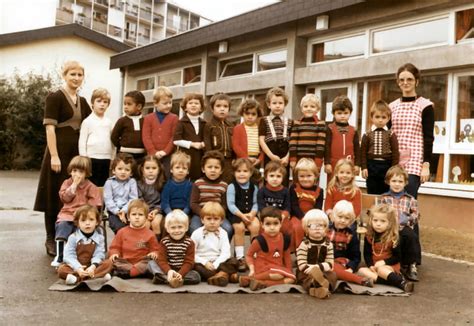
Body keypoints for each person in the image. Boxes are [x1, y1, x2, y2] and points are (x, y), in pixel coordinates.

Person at [34, 60, 92, 257]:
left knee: (74, 194)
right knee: (53, 195)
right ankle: (51, 238)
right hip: (58, 153)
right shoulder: (55, 97)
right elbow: (50, 129)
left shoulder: (83, 101)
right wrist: (54, 155)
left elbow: (90, 124)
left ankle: (70, 237)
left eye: (79, 75)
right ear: (64, 75)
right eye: (72, 74)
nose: (76, 78)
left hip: (75, 155)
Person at [389, 63, 434, 199]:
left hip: (414, 161)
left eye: (409, 79)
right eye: (402, 80)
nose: (405, 82)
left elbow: (428, 137)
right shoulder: (392, 106)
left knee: (408, 201)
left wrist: (425, 165)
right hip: (394, 160)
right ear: (398, 82)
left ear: (417, 82)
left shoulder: (425, 106)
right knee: (392, 203)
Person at [51, 156, 102, 267]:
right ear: (70, 171)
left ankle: (90, 256)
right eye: (74, 171)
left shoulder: (91, 187)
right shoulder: (67, 183)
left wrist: (83, 213)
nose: (76, 174)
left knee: (92, 228)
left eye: (80, 171)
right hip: (68, 215)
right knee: (62, 226)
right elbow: (65, 198)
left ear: (86, 173)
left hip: (84, 216)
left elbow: (94, 205)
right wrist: (73, 186)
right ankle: (60, 256)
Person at [376, 165, 421, 281]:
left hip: (403, 227)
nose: (397, 184)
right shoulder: (383, 198)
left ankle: (411, 265)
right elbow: (376, 212)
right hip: (388, 228)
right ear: (388, 182)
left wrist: (408, 219)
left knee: (411, 235)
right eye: (394, 181)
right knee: (393, 239)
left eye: (400, 181)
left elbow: (416, 215)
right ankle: (397, 265)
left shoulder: (410, 199)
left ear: (406, 183)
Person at [358, 204, 414, 292]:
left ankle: (402, 283)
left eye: (382, 221)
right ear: (371, 220)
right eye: (375, 220)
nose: (378, 224)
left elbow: (397, 257)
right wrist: (370, 265)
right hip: (375, 266)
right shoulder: (368, 236)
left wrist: (384, 262)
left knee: (382, 270)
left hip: (389, 266)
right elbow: (367, 253)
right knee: (361, 271)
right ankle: (392, 281)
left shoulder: (393, 238)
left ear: (390, 223)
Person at [240, 207, 295, 291]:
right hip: (263, 268)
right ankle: (252, 278)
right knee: (279, 276)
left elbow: (287, 256)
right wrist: (252, 269)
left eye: (275, 224)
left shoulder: (284, 239)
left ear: (280, 224)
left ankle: (260, 283)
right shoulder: (260, 240)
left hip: (277, 267)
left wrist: (289, 271)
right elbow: (249, 255)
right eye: (268, 224)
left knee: (290, 279)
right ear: (262, 225)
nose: (272, 228)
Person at [57, 205, 113, 285]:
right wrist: (78, 268)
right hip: (76, 266)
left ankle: (77, 279)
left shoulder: (100, 238)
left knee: (108, 263)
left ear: (97, 222)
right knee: (61, 269)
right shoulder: (73, 237)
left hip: (92, 266)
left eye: (91, 220)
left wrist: (93, 266)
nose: (87, 223)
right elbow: (69, 256)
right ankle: (94, 277)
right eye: (83, 220)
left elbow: (99, 254)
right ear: (78, 223)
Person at [109, 199, 160, 278]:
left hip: (142, 262)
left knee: (152, 262)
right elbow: (115, 247)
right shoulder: (122, 232)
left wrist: (154, 253)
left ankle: (129, 273)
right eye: (134, 214)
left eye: (140, 215)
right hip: (125, 262)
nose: (137, 217)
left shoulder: (150, 234)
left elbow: (155, 249)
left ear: (146, 218)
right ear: (128, 217)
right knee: (111, 261)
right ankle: (138, 272)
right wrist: (114, 253)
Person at [191, 202, 239, 286]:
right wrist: (205, 262)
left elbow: (226, 253)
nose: (212, 222)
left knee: (234, 261)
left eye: (216, 219)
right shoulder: (196, 233)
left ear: (221, 221)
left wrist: (216, 264)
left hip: (219, 263)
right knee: (195, 267)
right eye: (209, 219)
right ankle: (227, 275)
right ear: (202, 220)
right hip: (203, 264)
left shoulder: (223, 233)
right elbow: (191, 253)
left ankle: (220, 275)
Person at [149, 209, 201, 287]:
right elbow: (162, 260)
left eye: (180, 227)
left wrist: (180, 274)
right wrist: (169, 271)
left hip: (182, 270)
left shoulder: (189, 243)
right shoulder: (164, 242)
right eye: (173, 228)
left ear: (186, 228)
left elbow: (189, 262)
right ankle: (169, 278)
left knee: (196, 276)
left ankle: (166, 279)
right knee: (151, 263)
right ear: (167, 229)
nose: (177, 230)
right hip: (167, 269)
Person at [327, 200, 372, 287]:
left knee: (333, 269)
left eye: (346, 218)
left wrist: (351, 268)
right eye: (340, 217)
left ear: (351, 220)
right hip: (324, 260)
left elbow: (356, 257)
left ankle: (360, 280)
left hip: (340, 262)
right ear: (333, 216)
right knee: (325, 269)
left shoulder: (351, 235)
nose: (343, 220)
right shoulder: (326, 230)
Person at [189, 150, 233, 239]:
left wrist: (217, 214)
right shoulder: (198, 183)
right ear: (203, 169)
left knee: (228, 229)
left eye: (216, 167)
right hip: (200, 215)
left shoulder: (224, 185)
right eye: (209, 167)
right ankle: (197, 251)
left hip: (217, 215)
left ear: (221, 170)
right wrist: (204, 214)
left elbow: (224, 205)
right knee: (194, 228)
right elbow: (193, 203)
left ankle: (221, 250)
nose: (213, 170)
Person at [226, 158, 260, 271]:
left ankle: (254, 256)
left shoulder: (254, 186)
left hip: (250, 213)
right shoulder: (232, 186)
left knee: (255, 226)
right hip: (236, 214)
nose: (241, 174)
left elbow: (255, 203)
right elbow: (230, 205)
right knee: (239, 227)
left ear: (250, 173)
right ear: (234, 173)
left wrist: (252, 213)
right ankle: (240, 257)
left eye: (245, 171)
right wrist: (242, 216)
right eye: (238, 171)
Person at [361, 100, 399, 194]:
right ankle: (374, 208)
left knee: (385, 191)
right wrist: (364, 167)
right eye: (377, 117)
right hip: (371, 166)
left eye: (383, 117)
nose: (380, 120)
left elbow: (395, 153)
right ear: (371, 117)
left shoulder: (391, 134)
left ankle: (384, 208)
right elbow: (363, 152)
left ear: (388, 118)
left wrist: (393, 169)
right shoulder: (367, 134)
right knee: (372, 189)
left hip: (386, 166)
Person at [296, 209, 336, 299]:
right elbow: (301, 264)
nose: (318, 228)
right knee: (306, 278)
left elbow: (330, 263)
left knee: (333, 275)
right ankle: (317, 285)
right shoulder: (304, 244)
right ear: (307, 228)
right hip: (307, 271)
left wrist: (318, 267)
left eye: (321, 225)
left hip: (322, 270)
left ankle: (319, 287)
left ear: (326, 228)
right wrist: (312, 269)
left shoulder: (328, 244)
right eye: (313, 226)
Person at [78, 87, 115, 187]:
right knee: (90, 184)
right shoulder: (87, 121)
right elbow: (82, 141)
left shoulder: (109, 122)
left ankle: (100, 202)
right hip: (91, 158)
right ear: (92, 103)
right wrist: (84, 158)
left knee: (103, 184)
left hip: (106, 158)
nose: (102, 104)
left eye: (105, 102)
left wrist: (112, 157)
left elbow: (112, 142)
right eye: (99, 101)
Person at [142, 86, 179, 179]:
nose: (168, 105)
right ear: (155, 103)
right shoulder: (148, 118)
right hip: (152, 155)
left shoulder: (174, 118)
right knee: (152, 177)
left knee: (166, 177)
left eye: (170, 102)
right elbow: (146, 136)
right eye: (165, 103)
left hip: (168, 156)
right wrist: (153, 152)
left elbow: (174, 137)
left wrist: (165, 151)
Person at [259, 87, 293, 185]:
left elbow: (293, 141)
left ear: (285, 104)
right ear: (269, 105)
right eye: (274, 103)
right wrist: (271, 156)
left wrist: (287, 157)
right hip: (270, 152)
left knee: (283, 180)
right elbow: (261, 140)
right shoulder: (264, 120)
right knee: (270, 179)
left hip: (285, 154)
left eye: (280, 103)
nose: (277, 106)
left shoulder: (290, 121)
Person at [289, 158, 324, 251]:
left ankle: (313, 252)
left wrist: (310, 219)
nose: (305, 179)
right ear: (297, 177)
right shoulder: (294, 188)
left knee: (317, 229)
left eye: (309, 176)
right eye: (302, 176)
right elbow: (294, 205)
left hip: (313, 216)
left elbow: (318, 207)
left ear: (315, 176)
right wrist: (303, 218)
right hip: (298, 215)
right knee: (297, 227)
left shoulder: (319, 191)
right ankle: (300, 252)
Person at [324, 95, 361, 179]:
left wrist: (357, 165)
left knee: (347, 186)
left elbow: (357, 149)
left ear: (350, 113)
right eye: (339, 113)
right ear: (334, 113)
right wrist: (327, 163)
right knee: (332, 186)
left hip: (349, 164)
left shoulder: (354, 130)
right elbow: (327, 146)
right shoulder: (330, 128)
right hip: (333, 164)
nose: (343, 116)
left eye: (345, 113)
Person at [110, 90, 147, 173]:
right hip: (124, 155)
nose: (125, 107)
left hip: (140, 156)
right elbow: (114, 137)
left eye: (129, 104)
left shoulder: (145, 121)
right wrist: (122, 146)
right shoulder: (122, 121)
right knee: (124, 175)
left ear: (139, 106)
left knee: (138, 175)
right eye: (125, 104)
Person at [289, 94, 327, 171]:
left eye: (312, 106)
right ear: (302, 109)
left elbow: (321, 144)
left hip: (313, 160)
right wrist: (293, 159)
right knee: (298, 180)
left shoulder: (321, 124)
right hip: (298, 160)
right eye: (306, 106)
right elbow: (293, 142)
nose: (309, 109)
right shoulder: (297, 123)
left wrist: (318, 162)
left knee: (312, 180)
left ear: (318, 109)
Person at [173, 92, 206, 180]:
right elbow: (176, 140)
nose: (193, 105)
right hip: (185, 156)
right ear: (185, 107)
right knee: (186, 178)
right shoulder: (181, 122)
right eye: (190, 103)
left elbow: (206, 137)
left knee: (198, 178)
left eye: (196, 103)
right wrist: (192, 144)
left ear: (201, 107)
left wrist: (203, 143)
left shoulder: (204, 123)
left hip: (200, 156)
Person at [203, 93, 234, 183]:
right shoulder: (209, 125)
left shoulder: (231, 126)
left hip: (229, 161)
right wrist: (211, 160)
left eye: (225, 106)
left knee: (228, 184)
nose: (222, 109)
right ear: (212, 109)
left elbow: (235, 144)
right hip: (215, 161)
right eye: (218, 106)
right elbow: (207, 145)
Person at [257, 161, 292, 241]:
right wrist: (266, 216)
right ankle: (264, 247)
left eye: (278, 176)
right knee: (263, 228)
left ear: (283, 178)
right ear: (266, 177)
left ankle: (284, 248)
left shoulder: (286, 191)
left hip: (281, 216)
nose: (275, 179)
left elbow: (287, 207)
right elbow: (261, 207)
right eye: (272, 176)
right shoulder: (262, 191)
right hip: (266, 216)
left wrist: (283, 215)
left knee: (287, 228)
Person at [103, 153, 138, 234]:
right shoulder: (109, 183)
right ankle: (122, 244)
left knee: (134, 227)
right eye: (120, 169)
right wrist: (117, 212)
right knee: (121, 229)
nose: (123, 172)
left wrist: (124, 211)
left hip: (128, 210)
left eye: (127, 170)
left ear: (131, 173)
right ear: (113, 170)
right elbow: (108, 200)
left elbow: (133, 199)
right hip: (113, 212)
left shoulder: (132, 182)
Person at [137, 155, 166, 238]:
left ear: (159, 169)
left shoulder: (162, 184)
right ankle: (144, 246)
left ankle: (156, 246)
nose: (150, 171)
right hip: (144, 210)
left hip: (157, 211)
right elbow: (140, 200)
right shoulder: (139, 184)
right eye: (147, 168)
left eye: (154, 168)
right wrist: (147, 212)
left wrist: (156, 211)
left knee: (156, 223)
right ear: (142, 170)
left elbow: (163, 200)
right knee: (145, 224)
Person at [232, 99, 264, 168]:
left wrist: (259, 159)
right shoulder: (237, 128)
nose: (250, 117)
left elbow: (263, 147)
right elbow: (236, 146)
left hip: (256, 160)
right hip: (242, 160)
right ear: (242, 114)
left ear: (258, 115)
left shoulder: (260, 129)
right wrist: (246, 158)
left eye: (253, 114)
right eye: (247, 113)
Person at [161, 152, 193, 216]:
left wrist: (183, 213)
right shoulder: (168, 185)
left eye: (184, 168)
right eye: (177, 167)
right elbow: (165, 203)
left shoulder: (190, 185)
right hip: (170, 212)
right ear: (171, 170)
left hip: (184, 212)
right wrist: (170, 214)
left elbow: (189, 203)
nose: (181, 170)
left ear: (188, 171)